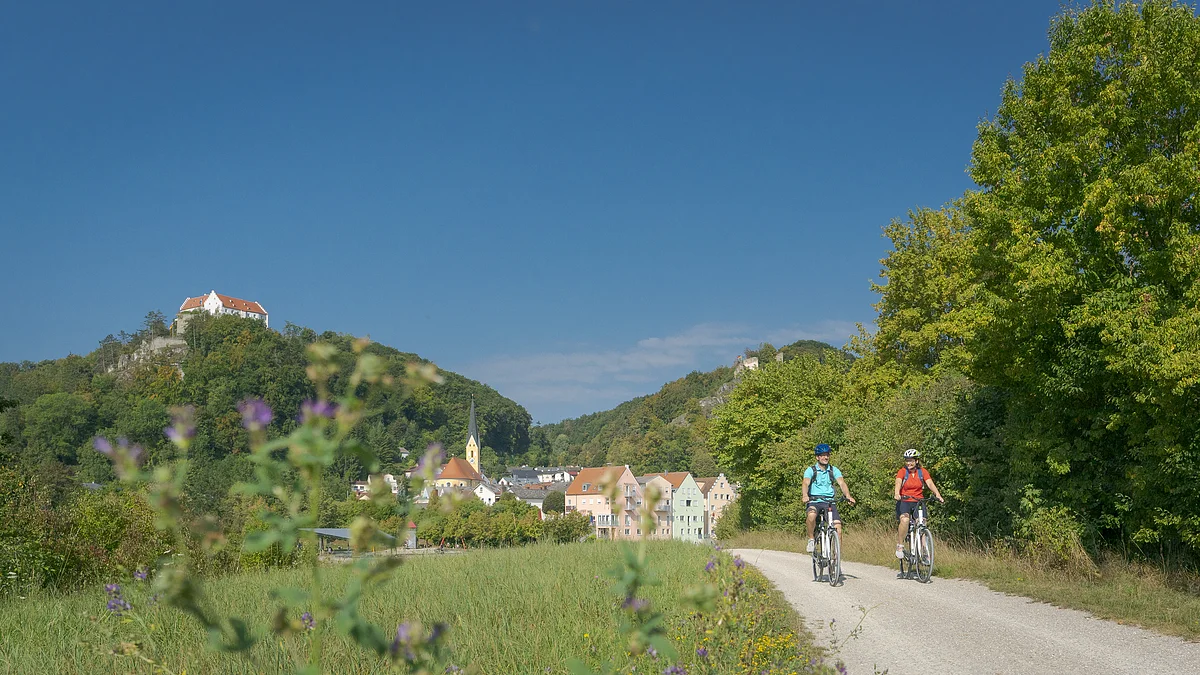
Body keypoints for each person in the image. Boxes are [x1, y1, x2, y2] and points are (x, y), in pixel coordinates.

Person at [803, 443, 856, 553]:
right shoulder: (811, 470)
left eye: (827, 455)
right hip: (814, 501)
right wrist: (805, 495)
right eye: (822, 455)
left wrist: (848, 496)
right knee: (811, 516)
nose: (825, 457)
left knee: (838, 527)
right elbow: (805, 483)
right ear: (817, 457)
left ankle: (836, 558)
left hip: (829, 502)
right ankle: (811, 539)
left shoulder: (833, 470)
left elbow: (841, 483)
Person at [894, 448, 944, 559]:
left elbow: (930, 483)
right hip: (905, 501)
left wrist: (938, 495)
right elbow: (898, 482)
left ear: (916, 461)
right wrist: (897, 493)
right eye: (907, 460)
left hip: (918, 501)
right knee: (905, 520)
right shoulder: (902, 471)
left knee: (922, 523)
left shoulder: (922, 472)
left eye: (911, 460)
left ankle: (924, 551)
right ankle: (900, 545)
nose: (908, 463)